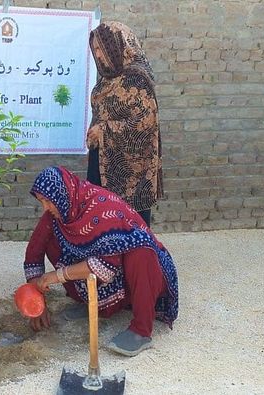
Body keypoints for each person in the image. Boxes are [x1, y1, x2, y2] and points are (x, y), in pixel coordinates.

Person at [23, 166, 178, 357]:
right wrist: (35, 302)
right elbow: (33, 253)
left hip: (142, 273)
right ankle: (92, 304)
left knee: (140, 250)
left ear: (62, 195)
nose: (45, 208)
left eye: (48, 201)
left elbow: (104, 268)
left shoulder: (102, 208)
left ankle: (141, 330)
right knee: (53, 240)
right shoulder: (61, 213)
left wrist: (56, 276)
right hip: (107, 268)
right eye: (41, 202)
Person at [85, 22, 162, 227]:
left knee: (129, 225)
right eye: (95, 49)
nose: (98, 55)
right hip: (101, 159)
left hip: (130, 170)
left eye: (101, 48)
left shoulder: (137, 78)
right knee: (100, 216)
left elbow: (145, 124)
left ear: (116, 45)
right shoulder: (106, 78)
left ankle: (133, 258)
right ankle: (104, 258)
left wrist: (103, 130)